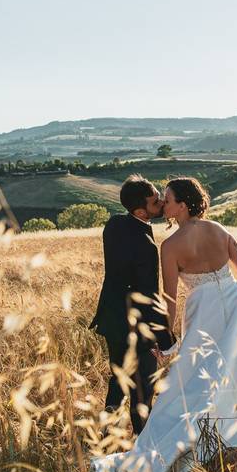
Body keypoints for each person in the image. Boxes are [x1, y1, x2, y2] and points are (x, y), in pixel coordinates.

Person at [91, 176, 237, 472]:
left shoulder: (169, 246)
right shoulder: (220, 231)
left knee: (196, 381)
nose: (163, 203)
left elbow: (167, 301)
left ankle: (200, 438)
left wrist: (167, 344)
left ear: (182, 204)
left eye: (167, 198)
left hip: (203, 317)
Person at [90, 175, 173, 434]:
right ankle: (141, 438)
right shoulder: (146, 246)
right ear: (141, 211)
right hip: (136, 326)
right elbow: (148, 296)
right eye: (155, 201)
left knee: (118, 379)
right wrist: (165, 339)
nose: (161, 203)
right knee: (143, 387)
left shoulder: (114, 225)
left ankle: (105, 435)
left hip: (112, 319)